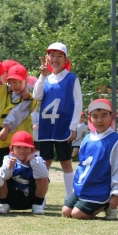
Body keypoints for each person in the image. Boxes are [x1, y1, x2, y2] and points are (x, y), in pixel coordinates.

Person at [62, 99, 118, 220]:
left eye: (104, 116)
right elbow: (82, 166)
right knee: (66, 212)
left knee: (77, 215)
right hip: (84, 187)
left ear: (111, 116)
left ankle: (106, 203)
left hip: (100, 189)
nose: (99, 120)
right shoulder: (87, 139)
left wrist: (117, 194)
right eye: (95, 116)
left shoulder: (116, 141)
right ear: (90, 118)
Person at [33, 42, 82, 202]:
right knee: (45, 162)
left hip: (63, 127)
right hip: (46, 127)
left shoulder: (71, 78)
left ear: (65, 59)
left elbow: (78, 103)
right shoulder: (45, 78)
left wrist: (73, 126)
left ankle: (70, 196)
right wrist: (42, 76)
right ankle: (42, 196)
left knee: (66, 162)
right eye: (52, 55)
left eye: (59, 56)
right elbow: (37, 96)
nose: (55, 59)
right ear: (47, 58)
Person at [0, 131, 49, 215]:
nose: (22, 151)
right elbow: (2, 177)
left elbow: (43, 174)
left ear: (32, 149)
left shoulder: (38, 159)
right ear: (11, 149)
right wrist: (9, 167)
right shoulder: (8, 159)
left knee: (44, 179)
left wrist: (33, 160)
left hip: (31, 197)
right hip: (12, 197)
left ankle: (37, 205)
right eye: (18, 147)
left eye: (26, 147)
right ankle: (3, 204)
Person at [0, 64, 37, 168]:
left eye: (20, 82)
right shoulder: (6, 93)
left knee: (22, 172)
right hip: (5, 142)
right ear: (9, 82)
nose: (17, 85)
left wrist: (6, 128)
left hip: (21, 144)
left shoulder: (27, 98)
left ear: (26, 82)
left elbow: (16, 113)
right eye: (14, 82)